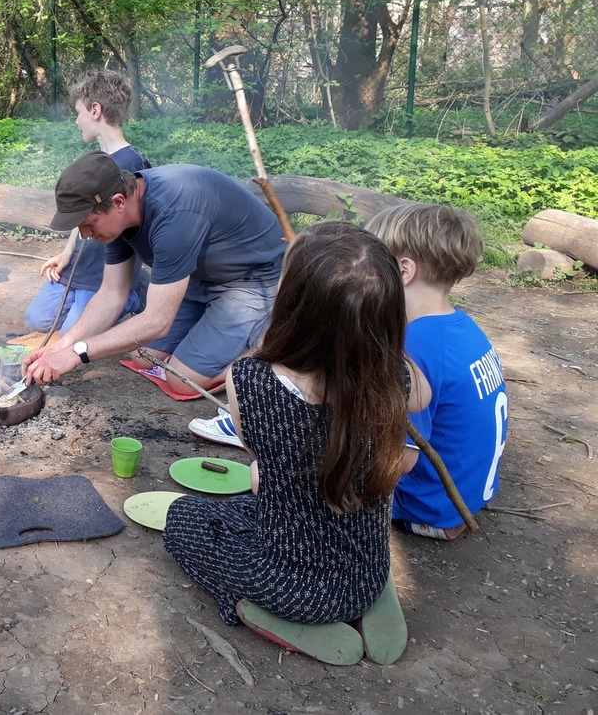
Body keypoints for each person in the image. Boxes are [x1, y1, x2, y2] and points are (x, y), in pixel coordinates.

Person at [162, 222, 431, 666]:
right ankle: (368, 600)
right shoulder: (395, 379)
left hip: (291, 587)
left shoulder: (247, 379)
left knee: (184, 519)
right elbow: (422, 395)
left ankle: (263, 616)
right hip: (366, 570)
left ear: (291, 305)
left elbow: (260, 458)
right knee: (281, 506)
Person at [22, 151, 286, 395]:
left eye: (89, 224)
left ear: (118, 202)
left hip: (250, 279)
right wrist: (63, 345)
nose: (85, 235)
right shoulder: (116, 218)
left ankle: (275, 350)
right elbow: (112, 294)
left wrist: (77, 354)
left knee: (183, 381)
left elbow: (158, 321)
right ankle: (213, 334)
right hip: (198, 276)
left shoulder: (174, 216)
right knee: (143, 355)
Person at [366, 203, 508, 541]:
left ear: (403, 271)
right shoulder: (461, 327)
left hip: (429, 507)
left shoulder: (412, 347)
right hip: (468, 494)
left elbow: (400, 459)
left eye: (369, 267)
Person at [25, 69, 151, 335]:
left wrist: (120, 282)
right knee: (37, 320)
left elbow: (136, 231)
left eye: (78, 112)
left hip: (105, 274)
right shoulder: (94, 161)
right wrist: (66, 253)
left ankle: (132, 294)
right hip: (79, 268)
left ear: (95, 110)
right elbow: (78, 213)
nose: (76, 121)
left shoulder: (132, 165)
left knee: (71, 332)